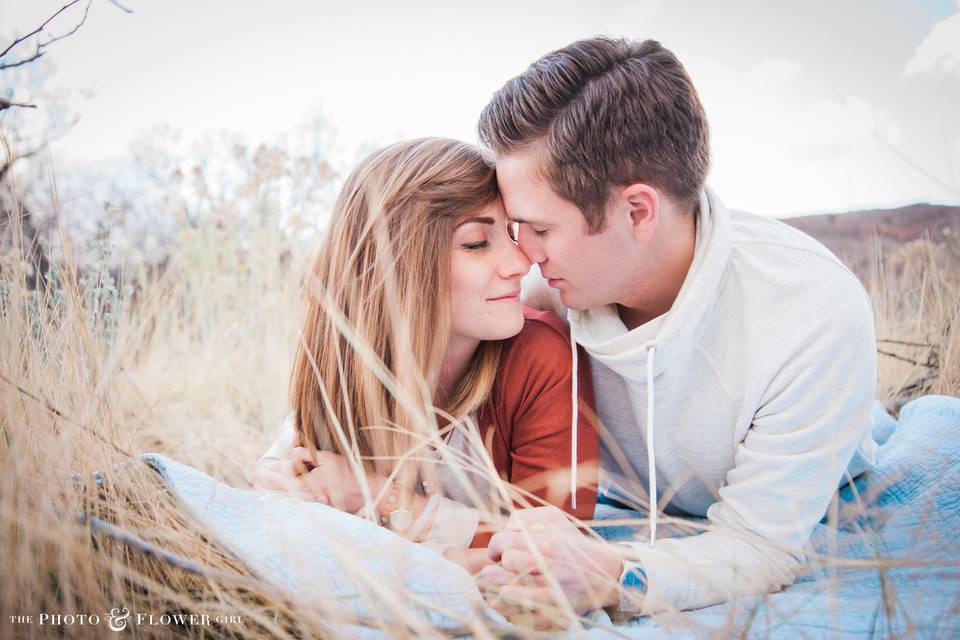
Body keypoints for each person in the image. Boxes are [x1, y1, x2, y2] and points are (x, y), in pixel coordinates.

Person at [475, 37, 878, 619]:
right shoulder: (545, 293)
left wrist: (619, 578)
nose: (524, 255)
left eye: (539, 228)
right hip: (628, 503)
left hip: (815, 481)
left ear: (637, 211)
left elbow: (760, 545)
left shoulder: (812, 313)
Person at [254, 137, 599, 574]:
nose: (520, 262)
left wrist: (378, 496)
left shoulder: (540, 357)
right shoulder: (347, 362)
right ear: (400, 264)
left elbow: (556, 555)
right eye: (477, 243)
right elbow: (285, 481)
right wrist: (278, 476)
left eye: (510, 234)